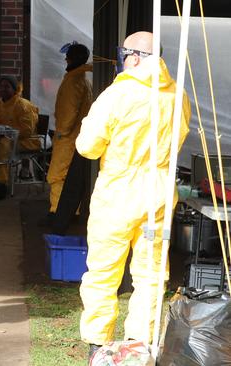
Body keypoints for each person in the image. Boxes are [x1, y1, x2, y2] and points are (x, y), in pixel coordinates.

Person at [76, 31, 191, 359]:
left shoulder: (117, 94)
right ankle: (140, 345)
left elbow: (87, 147)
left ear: (134, 56)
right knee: (152, 274)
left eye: (123, 53)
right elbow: (179, 137)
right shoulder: (176, 93)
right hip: (158, 194)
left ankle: (99, 345)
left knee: (103, 271)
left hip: (117, 193)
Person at [46, 42, 93, 218]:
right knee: (71, 177)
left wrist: (61, 133)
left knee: (57, 175)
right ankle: (72, 210)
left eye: (69, 56)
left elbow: (67, 111)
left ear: (73, 59)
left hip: (68, 138)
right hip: (78, 136)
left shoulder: (73, 81)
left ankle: (58, 212)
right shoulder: (83, 80)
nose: (66, 59)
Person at [0, 76, 39, 184]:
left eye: (7, 86)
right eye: (1, 86)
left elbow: (26, 130)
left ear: (14, 89)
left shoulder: (23, 105)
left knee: (2, 146)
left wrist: (5, 134)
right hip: (2, 139)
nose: (3, 89)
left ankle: (1, 181)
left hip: (26, 141)